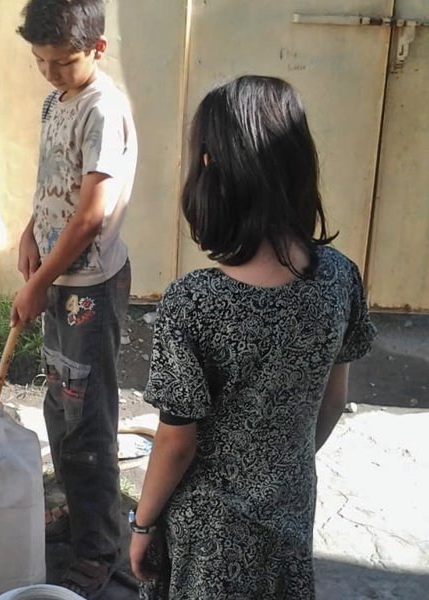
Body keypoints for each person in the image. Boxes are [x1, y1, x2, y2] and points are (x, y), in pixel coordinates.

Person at [128, 75, 377, 599]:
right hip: (290, 503)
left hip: (208, 532)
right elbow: (334, 399)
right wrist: (280, 468)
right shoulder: (339, 278)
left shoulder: (191, 302)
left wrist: (143, 524)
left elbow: (175, 442)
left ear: (212, 171)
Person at [11, 0, 137, 597]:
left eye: (63, 62)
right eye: (40, 61)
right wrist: (29, 232)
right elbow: (52, 184)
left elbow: (89, 216)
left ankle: (103, 546)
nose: (51, 72)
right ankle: (84, 516)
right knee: (59, 405)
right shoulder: (52, 101)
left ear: (98, 49)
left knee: (88, 417)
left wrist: (38, 284)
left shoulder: (103, 111)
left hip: (89, 287)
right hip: (58, 280)